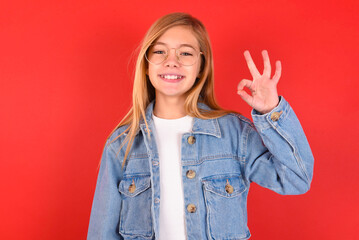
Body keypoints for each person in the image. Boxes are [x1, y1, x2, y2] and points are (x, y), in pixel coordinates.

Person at [87, 12, 314, 240]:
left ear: (201, 67)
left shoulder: (234, 135)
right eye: (159, 51)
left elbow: (296, 179)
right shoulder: (122, 144)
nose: (171, 61)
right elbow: (102, 232)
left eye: (185, 53)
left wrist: (270, 110)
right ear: (146, 65)